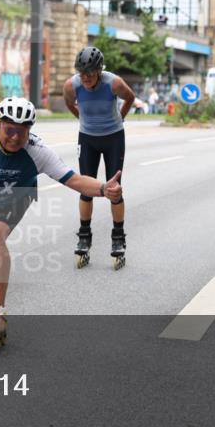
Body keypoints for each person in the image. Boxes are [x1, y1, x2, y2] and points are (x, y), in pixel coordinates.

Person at [0, 97, 122, 353]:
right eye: (10, 130)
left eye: (22, 131)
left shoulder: (37, 151)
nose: (15, 138)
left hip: (14, 200)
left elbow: (73, 180)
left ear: (30, 130)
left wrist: (102, 189)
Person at [62, 46, 135, 269]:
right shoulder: (71, 85)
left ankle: (118, 238)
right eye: (82, 73)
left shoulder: (113, 83)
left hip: (113, 137)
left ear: (99, 71)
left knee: (114, 189)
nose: (85, 78)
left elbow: (130, 98)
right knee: (86, 188)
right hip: (87, 138)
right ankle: (84, 236)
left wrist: (119, 119)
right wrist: (83, 119)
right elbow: (69, 103)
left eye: (90, 73)